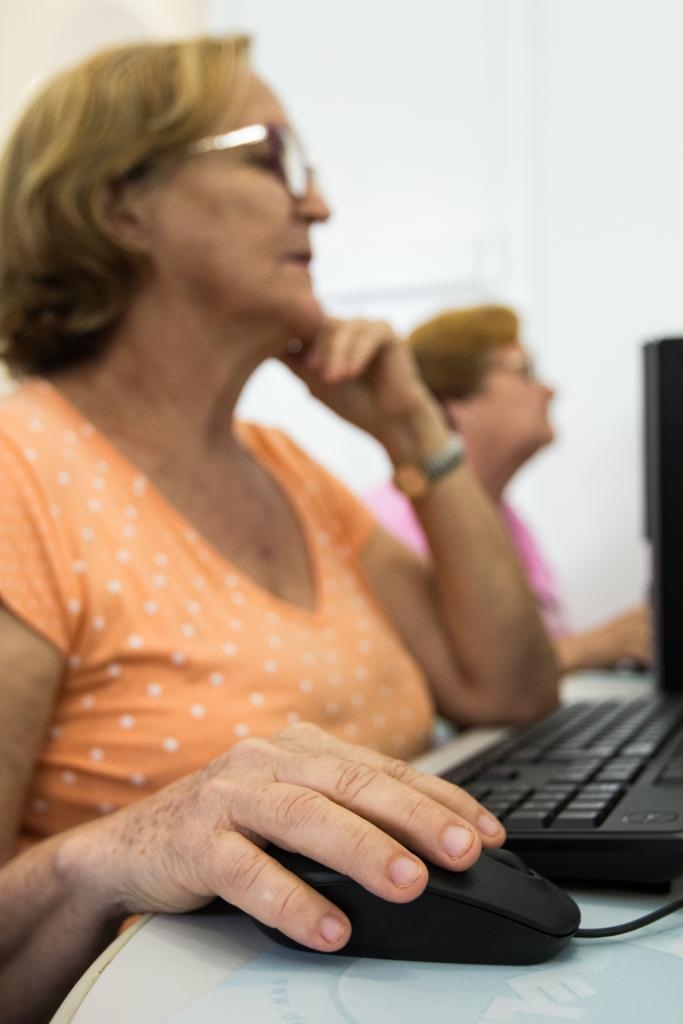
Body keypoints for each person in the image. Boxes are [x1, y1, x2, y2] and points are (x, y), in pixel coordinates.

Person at [0, 38, 558, 1022]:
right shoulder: (21, 473)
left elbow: (509, 687)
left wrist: (416, 436)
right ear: (118, 205)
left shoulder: (288, 470)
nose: (318, 206)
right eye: (271, 159)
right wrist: (122, 851)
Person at [366, 305, 651, 672]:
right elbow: (450, 685)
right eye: (525, 371)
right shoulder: (393, 528)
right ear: (450, 404)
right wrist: (598, 645)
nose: (549, 390)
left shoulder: (508, 520)